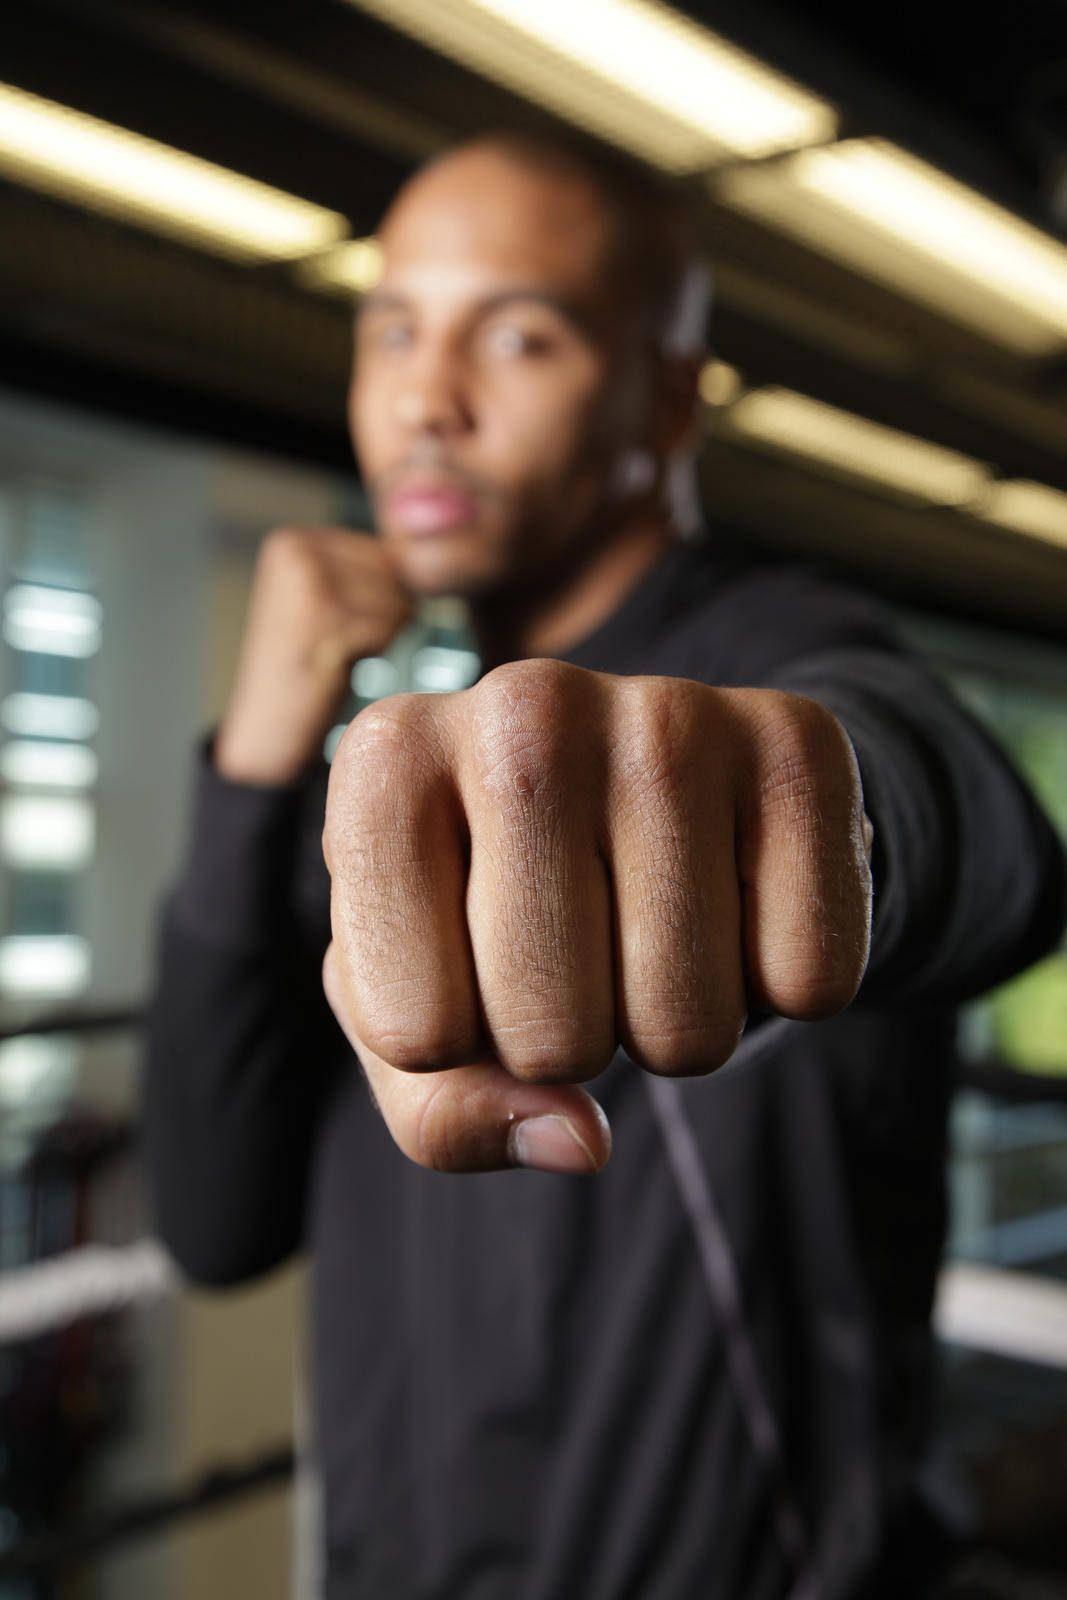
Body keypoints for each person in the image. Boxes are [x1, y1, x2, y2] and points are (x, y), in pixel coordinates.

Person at [144, 131, 1066, 1600]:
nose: (424, 401)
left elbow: (985, 839)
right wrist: (253, 769)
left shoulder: (769, 654)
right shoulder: (406, 767)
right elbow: (212, 1217)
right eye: (392, 330)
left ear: (667, 398)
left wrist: (828, 823)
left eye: (517, 337)